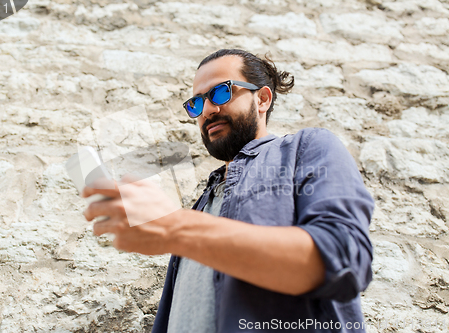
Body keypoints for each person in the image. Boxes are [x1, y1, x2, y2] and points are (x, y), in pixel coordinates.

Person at [82, 49, 375, 332]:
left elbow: (344, 258)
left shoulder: (308, 148)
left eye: (222, 92)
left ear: (262, 99)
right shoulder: (203, 203)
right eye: (196, 104)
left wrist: (175, 227)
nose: (207, 110)